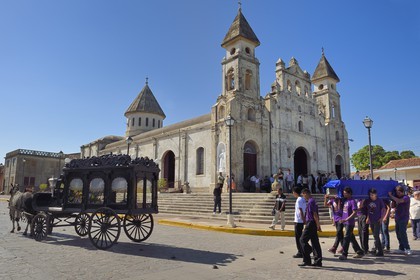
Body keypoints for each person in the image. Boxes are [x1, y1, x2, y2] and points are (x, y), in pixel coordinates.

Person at [338, 187, 364, 260]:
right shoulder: (346, 201)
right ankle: (359, 251)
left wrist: (346, 219)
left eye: (345, 193)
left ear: (349, 193)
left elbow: (354, 212)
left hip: (350, 223)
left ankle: (344, 254)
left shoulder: (352, 201)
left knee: (346, 238)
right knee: (351, 238)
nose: (344, 194)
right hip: (345, 222)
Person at [298, 188, 322, 267]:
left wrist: (318, 225)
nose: (303, 196)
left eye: (303, 194)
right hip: (312, 223)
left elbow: (315, 214)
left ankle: (307, 259)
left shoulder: (311, 201)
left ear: (306, 193)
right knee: (315, 242)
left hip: (311, 223)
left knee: (302, 240)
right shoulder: (312, 201)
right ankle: (318, 260)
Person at [364, 188, 388, 256]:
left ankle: (380, 251)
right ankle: (376, 248)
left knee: (376, 236)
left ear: (376, 194)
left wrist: (382, 218)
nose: (371, 196)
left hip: (377, 220)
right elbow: (368, 210)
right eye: (370, 195)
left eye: (372, 195)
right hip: (371, 220)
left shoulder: (379, 200)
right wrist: (368, 218)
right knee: (374, 235)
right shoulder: (368, 201)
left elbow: (383, 209)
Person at [389, 185, 412, 255]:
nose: (398, 194)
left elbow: (399, 201)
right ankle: (401, 247)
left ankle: (407, 248)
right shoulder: (396, 198)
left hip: (404, 218)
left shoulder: (406, 197)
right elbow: (393, 206)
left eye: (399, 192)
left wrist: (391, 196)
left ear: (402, 192)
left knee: (403, 233)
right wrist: (393, 200)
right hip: (397, 217)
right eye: (397, 192)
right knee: (398, 233)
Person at [292, 187, 306, 259]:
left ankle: (300, 251)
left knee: (298, 237)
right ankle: (303, 250)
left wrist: (303, 219)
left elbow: (300, 210)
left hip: (298, 220)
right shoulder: (303, 199)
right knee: (300, 236)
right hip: (300, 220)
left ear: (295, 192)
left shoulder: (299, 200)